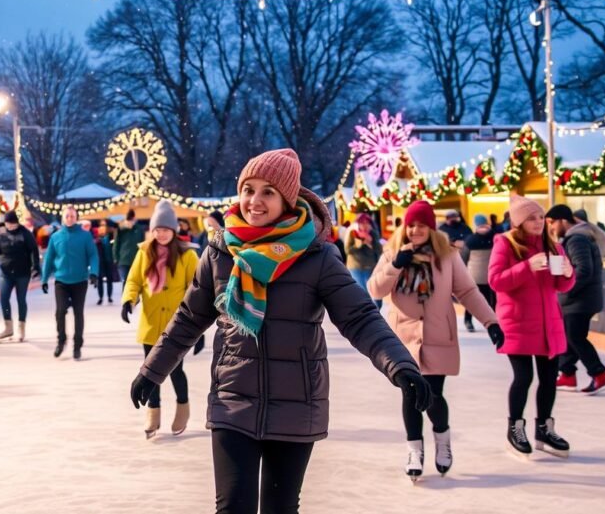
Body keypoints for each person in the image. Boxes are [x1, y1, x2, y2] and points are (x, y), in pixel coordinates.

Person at [130, 149, 429, 514]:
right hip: (233, 398)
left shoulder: (317, 257)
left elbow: (360, 317)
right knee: (232, 507)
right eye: (249, 189)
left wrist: (398, 364)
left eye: (268, 192)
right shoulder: (220, 252)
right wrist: (152, 370)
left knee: (280, 508)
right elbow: (190, 317)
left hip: (296, 401)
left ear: (287, 199)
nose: (255, 201)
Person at [369, 201, 503, 480]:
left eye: (422, 225)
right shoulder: (393, 252)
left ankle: (442, 437)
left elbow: (467, 291)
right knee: (409, 393)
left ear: (431, 228)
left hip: (437, 336)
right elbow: (376, 290)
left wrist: (490, 321)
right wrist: (394, 266)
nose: (416, 230)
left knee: (433, 394)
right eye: (412, 224)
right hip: (402, 340)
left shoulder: (447, 257)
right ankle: (414, 450)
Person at [489, 195, 574, 459]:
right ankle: (515, 428)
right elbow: (495, 281)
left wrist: (569, 275)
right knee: (523, 377)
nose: (538, 222)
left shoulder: (554, 246)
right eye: (531, 218)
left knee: (549, 379)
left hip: (549, 323)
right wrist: (527, 267)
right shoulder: (505, 244)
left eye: (540, 217)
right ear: (518, 222)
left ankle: (544, 429)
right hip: (517, 323)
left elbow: (560, 287)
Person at [121, 201, 201, 439]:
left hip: (177, 325)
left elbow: (195, 289)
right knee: (150, 370)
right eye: (157, 229)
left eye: (165, 229)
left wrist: (197, 326)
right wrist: (129, 300)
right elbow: (134, 280)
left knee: (176, 371)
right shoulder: (144, 252)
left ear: (174, 230)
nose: (161, 233)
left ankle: (183, 408)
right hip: (151, 322)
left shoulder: (188, 255)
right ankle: (153, 414)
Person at [545, 205, 605, 394]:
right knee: (570, 337)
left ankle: (600, 374)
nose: (550, 228)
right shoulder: (573, 238)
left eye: (552, 223)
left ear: (562, 220)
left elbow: (584, 270)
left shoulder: (577, 239)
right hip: (579, 299)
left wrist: (564, 290)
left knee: (575, 337)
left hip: (579, 300)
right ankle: (567, 375)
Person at [42, 206, 99, 361]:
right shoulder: (56, 237)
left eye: (72, 216)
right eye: (67, 216)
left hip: (80, 280)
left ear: (76, 217)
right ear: (63, 218)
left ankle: (77, 346)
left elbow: (93, 255)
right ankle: (61, 341)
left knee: (78, 313)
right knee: (60, 311)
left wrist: (94, 272)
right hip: (61, 281)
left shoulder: (85, 236)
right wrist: (44, 278)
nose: (69, 218)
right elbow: (48, 259)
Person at [0, 211, 41, 343]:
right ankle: (8, 327)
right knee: (4, 298)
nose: (11, 227)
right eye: (8, 224)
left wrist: (35, 266)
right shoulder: (1, 234)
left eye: (13, 224)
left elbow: (33, 250)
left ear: (17, 222)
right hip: (6, 273)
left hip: (23, 273)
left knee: (21, 299)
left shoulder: (25, 233)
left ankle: (21, 327)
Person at [462, 214, 496, 333]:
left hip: (475, 275)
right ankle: (494, 322)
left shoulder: (470, 240)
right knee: (493, 301)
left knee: (472, 300)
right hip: (492, 274)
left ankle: (468, 320)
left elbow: (464, 258)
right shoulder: (494, 238)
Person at [345, 212, 382, 308]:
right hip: (355, 267)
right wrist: (360, 243)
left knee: (374, 290)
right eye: (362, 223)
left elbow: (379, 250)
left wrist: (370, 242)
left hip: (370, 267)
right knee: (362, 292)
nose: (364, 225)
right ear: (357, 223)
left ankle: (376, 309)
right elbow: (348, 250)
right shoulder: (353, 233)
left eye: (367, 223)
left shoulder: (373, 234)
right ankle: (368, 313)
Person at [113, 209, 144, 287]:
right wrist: (115, 258)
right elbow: (116, 244)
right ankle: (126, 298)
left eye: (132, 219)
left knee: (135, 281)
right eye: (129, 220)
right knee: (126, 281)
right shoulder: (121, 230)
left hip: (136, 260)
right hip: (123, 260)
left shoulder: (139, 229)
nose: (131, 222)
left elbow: (142, 245)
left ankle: (134, 298)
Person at [95, 222, 117, 305]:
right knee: (100, 279)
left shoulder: (111, 236)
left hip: (109, 260)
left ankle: (109, 296)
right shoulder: (97, 239)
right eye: (101, 226)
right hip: (100, 261)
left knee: (109, 279)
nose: (102, 228)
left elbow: (114, 246)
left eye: (104, 226)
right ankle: (100, 297)